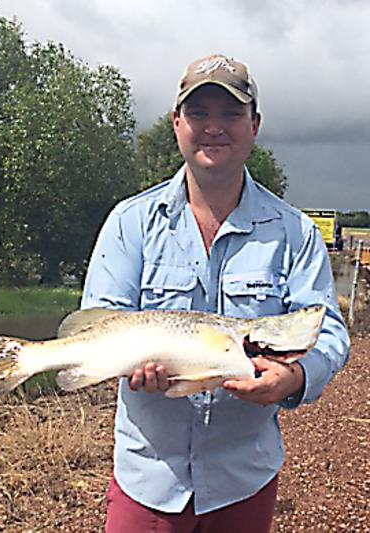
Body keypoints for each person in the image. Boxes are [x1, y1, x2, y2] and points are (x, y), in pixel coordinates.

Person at [81, 54, 350, 533]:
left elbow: (327, 330)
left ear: (254, 125)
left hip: (241, 480)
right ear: (177, 123)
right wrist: (131, 368)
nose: (214, 128)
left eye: (231, 114)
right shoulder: (129, 223)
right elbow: (100, 320)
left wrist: (294, 379)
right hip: (148, 477)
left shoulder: (296, 232)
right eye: (200, 113)